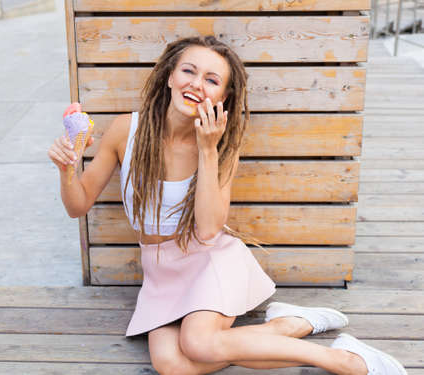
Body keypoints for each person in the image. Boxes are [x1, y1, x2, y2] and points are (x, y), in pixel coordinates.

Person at [48, 36, 407, 375]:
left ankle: (345, 360)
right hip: (160, 272)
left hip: (208, 260)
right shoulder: (126, 131)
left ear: (222, 95)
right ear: (170, 76)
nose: (196, 84)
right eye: (188, 71)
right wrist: (67, 171)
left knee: (200, 344)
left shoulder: (222, 146)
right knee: (172, 366)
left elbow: (207, 229)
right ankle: (289, 324)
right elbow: (77, 206)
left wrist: (207, 150)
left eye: (211, 79)